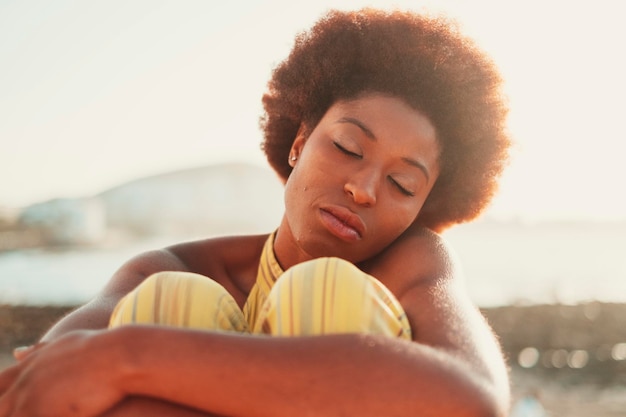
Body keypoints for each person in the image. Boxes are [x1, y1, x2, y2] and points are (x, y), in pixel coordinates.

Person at [0, 8, 512, 417]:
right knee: (172, 301)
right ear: (299, 142)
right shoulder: (168, 270)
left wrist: (128, 358)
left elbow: (469, 396)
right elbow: (33, 395)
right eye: (349, 148)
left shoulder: (413, 265)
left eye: (402, 183)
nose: (363, 189)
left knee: (323, 292)